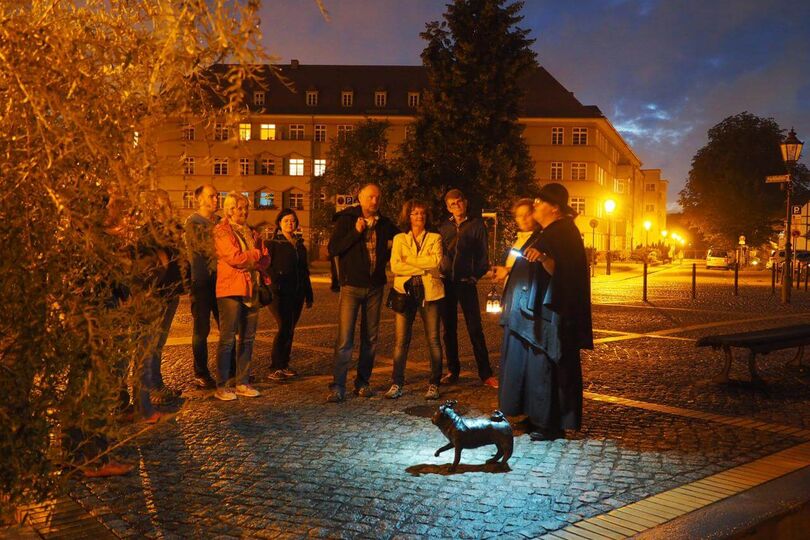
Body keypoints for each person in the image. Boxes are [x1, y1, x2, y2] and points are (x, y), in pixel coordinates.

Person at [498, 183, 593, 441]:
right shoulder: (547, 231)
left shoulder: (565, 233)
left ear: (555, 207)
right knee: (532, 367)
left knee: (545, 369)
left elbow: (565, 274)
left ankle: (550, 422)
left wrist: (543, 259)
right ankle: (534, 414)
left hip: (547, 316)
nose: (535, 205)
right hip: (530, 315)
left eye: (540, 202)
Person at [326, 183, 399, 403]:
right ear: (360, 198)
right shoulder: (346, 219)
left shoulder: (385, 224)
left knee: (371, 339)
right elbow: (333, 249)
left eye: (378, 197)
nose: (374, 201)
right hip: (351, 286)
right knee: (345, 338)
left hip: (375, 287)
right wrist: (356, 232)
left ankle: (362, 382)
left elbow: (401, 240)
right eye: (370, 197)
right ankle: (338, 385)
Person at [438, 189, 498, 389]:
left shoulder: (476, 225)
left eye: (459, 201)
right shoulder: (443, 227)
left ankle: (485, 373)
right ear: (448, 207)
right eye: (452, 203)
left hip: (466, 281)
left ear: (466, 202)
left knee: (475, 328)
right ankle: (453, 370)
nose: (457, 206)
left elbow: (483, 254)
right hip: (446, 281)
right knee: (449, 330)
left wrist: (476, 275)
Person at [384, 200, 444, 400]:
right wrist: (422, 266)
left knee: (434, 339)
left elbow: (435, 261)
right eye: (415, 213)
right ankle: (396, 382)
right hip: (405, 292)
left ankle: (434, 383)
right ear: (408, 216)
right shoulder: (400, 238)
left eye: (422, 213)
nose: (419, 217)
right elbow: (395, 266)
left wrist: (408, 261)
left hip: (430, 293)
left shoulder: (435, 237)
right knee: (401, 340)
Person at [212, 192, 269, 401]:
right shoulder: (221, 230)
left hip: (251, 287)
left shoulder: (251, 232)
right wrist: (254, 256)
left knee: (248, 338)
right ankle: (222, 385)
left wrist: (257, 259)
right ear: (229, 210)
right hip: (230, 289)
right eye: (239, 208)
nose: (244, 212)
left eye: (245, 208)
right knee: (227, 339)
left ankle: (243, 382)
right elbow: (234, 257)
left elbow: (266, 257)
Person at [266, 208, 313, 381]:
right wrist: (273, 284)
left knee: (290, 328)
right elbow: (267, 267)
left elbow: (304, 271)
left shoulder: (299, 245)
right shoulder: (273, 243)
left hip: (297, 293)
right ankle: (275, 366)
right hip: (279, 293)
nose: (290, 223)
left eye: (293, 221)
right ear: (279, 223)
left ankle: (284, 364)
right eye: (286, 220)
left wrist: (309, 294)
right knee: (284, 326)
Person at [184, 184, 222, 389]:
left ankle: (229, 369)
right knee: (202, 329)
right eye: (212, 196)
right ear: (199, 199)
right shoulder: (193, 222)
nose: (216, 199)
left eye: (217, 196)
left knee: (226, 326)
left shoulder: (219, 221)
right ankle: (201, 372)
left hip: (221, 280)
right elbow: (204, 249)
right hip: (201, 282)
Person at [492, 199, 538, 284]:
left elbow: (534, 268)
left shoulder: (538, 240)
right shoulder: (520, 239)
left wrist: (508, 270)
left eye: (527, 215)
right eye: (520, 216)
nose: (523, 219)